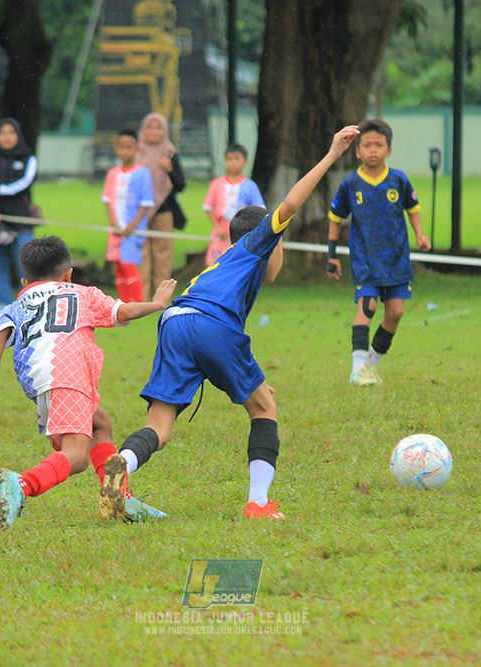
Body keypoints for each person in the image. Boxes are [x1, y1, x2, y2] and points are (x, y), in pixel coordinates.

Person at [98, 125, 361, 522]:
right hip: (208, 324)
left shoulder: (219, 265)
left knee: (160, 427)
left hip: (175, 321)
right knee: (265, 409)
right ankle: (257, 503)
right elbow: (289, 205)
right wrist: (330, 156)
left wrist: (250, 378)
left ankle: (124, 463)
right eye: (280, 244)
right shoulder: (254, 245)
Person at [0, 236, 176, 529]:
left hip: (37, 378)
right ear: (68, 274)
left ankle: (118, 497)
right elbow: (122, 311)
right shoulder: (82, 293)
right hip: (67, 371)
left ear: (25, 281)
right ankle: (21, 483)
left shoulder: (19, 302)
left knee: (100, 425)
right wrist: (157, 303)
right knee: (77, 456)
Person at [325, 118, 430, 387]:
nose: (373, 150)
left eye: (379, 145)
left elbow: (413, 209)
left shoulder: (399, 179)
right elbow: (336, 218)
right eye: (367, 145)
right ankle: (356, 368)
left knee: (395, 312)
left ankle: (370, 367)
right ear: (357, 151)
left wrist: (420, 235)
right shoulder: (351, 184)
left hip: (396, 258)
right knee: (368, 305)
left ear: (389, 150)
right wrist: (332, 254)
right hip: (365, 259)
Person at [0, 118, 39, 313]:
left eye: (11, 133)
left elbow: (23, 183)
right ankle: (1, 308)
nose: (6, 137)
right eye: (3, 133)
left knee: (26, 265)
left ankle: (29, 306)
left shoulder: (29, 159)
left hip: (20, 219)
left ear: (18, 135)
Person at [137, 112, 186, 299]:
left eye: (158, 127)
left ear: (165, 130)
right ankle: (139, 297)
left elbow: (181, 184)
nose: (154, 131)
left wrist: (170, 169)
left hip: (164, 210)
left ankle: (160, 297)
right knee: (140, 253)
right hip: (138, 214)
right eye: (150, 127)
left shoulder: (169, 152)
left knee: (163, 254)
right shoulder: (136, 152)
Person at [103, 129, 155, 303]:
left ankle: (138, 302)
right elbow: (108, 201)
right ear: (116, 149)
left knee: (128, 263)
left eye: (129, 147)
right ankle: (124, 303)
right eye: (121, 147)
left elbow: (145, 203)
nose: (125, 151)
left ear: (137, 149)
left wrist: (132, 225)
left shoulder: (143, 173)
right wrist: (113, 223)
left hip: (134, 230)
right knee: (118, 265)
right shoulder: (113, 173)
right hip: (116, 229)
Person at [202, 143, 265, 266]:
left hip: (242, 230)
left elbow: (259, 209)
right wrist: (218, 227)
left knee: (237, 262)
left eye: (237, 159)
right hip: (221, 231)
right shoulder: (217, 184)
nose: (233, 162)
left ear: (245, 162)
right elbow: (209, 208)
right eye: (229, 159)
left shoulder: (250, 186)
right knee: (215, 263)